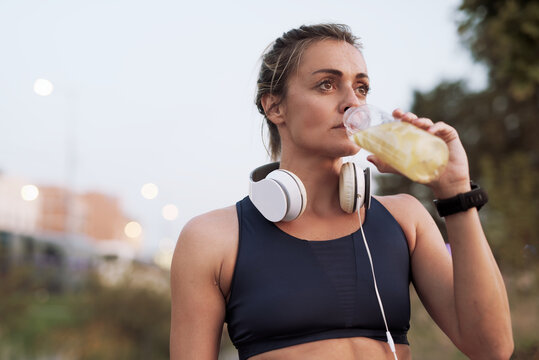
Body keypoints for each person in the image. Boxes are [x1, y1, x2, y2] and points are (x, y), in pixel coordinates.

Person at [170, 24, 513, 360]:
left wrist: (456, 194)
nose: (353, 103)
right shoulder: (212, 239)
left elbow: (493, 349)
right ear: (276, 107)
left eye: (361, 88)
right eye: (326, 85)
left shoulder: (404, 219)